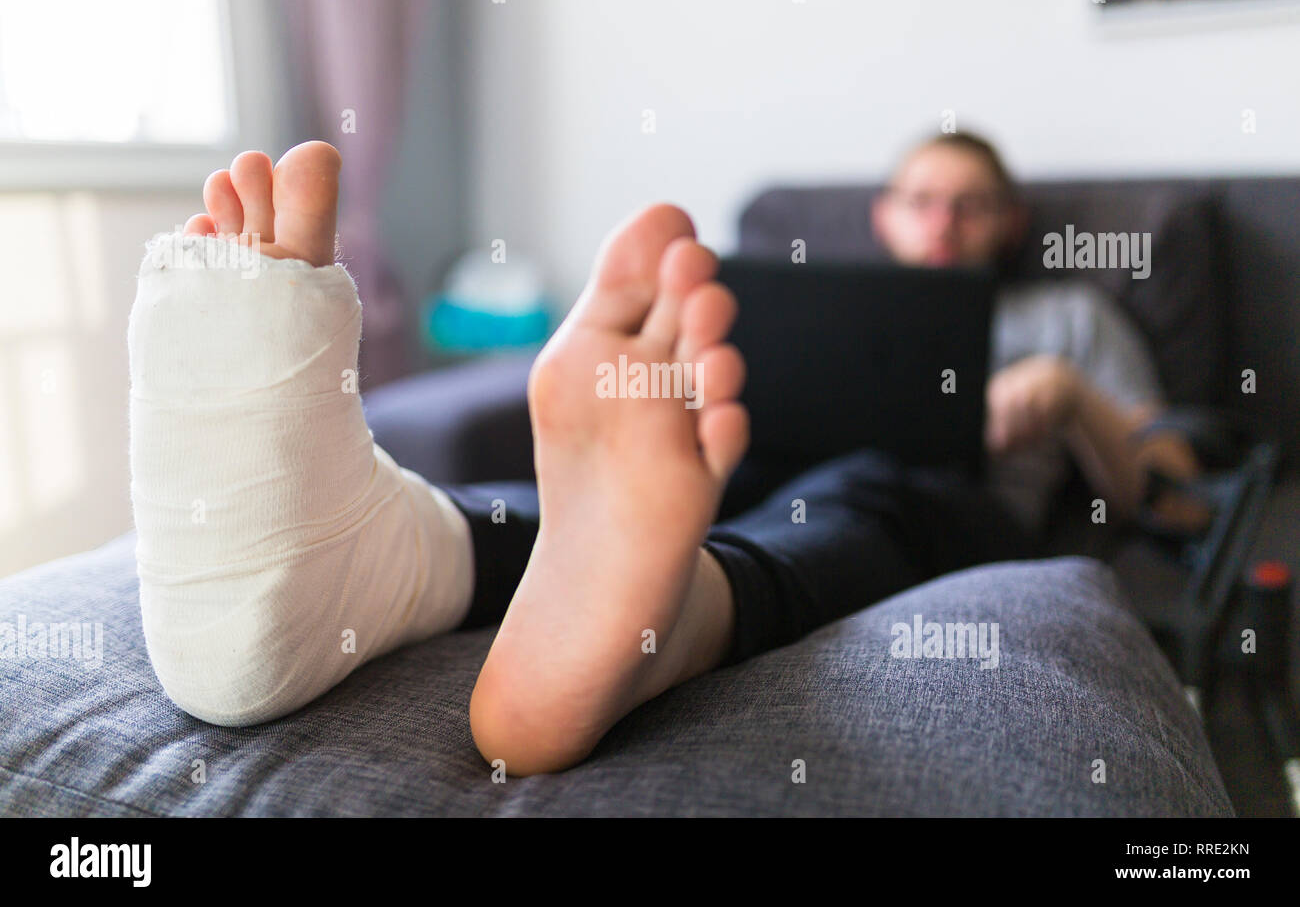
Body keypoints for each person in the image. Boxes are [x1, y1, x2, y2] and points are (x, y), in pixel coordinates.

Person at [128, 133, 1200, 778]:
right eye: (922, 198)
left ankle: (673, 606)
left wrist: (1071, 405)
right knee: (632, 493)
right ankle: (396, 547)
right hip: (760, 465)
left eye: (969, 204)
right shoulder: (817, 301)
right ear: (885, 213)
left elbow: (1180, 497)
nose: (943, 221)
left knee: (857, 486)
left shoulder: (1067, 317)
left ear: (1008, 222)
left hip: (950, 501)